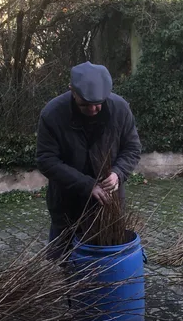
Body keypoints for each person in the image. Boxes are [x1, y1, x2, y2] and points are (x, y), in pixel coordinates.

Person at [36, 62, 142, 259]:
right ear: (72, 91)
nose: (93, 109)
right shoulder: (52, 114)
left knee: (108, 261)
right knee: (65, 260)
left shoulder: (120, 109)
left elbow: (133, 148)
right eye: (85, 104)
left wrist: (118, 173)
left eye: (98, 103)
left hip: (109, 203)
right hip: (67, 203)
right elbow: (46, 159)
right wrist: (88, 185)